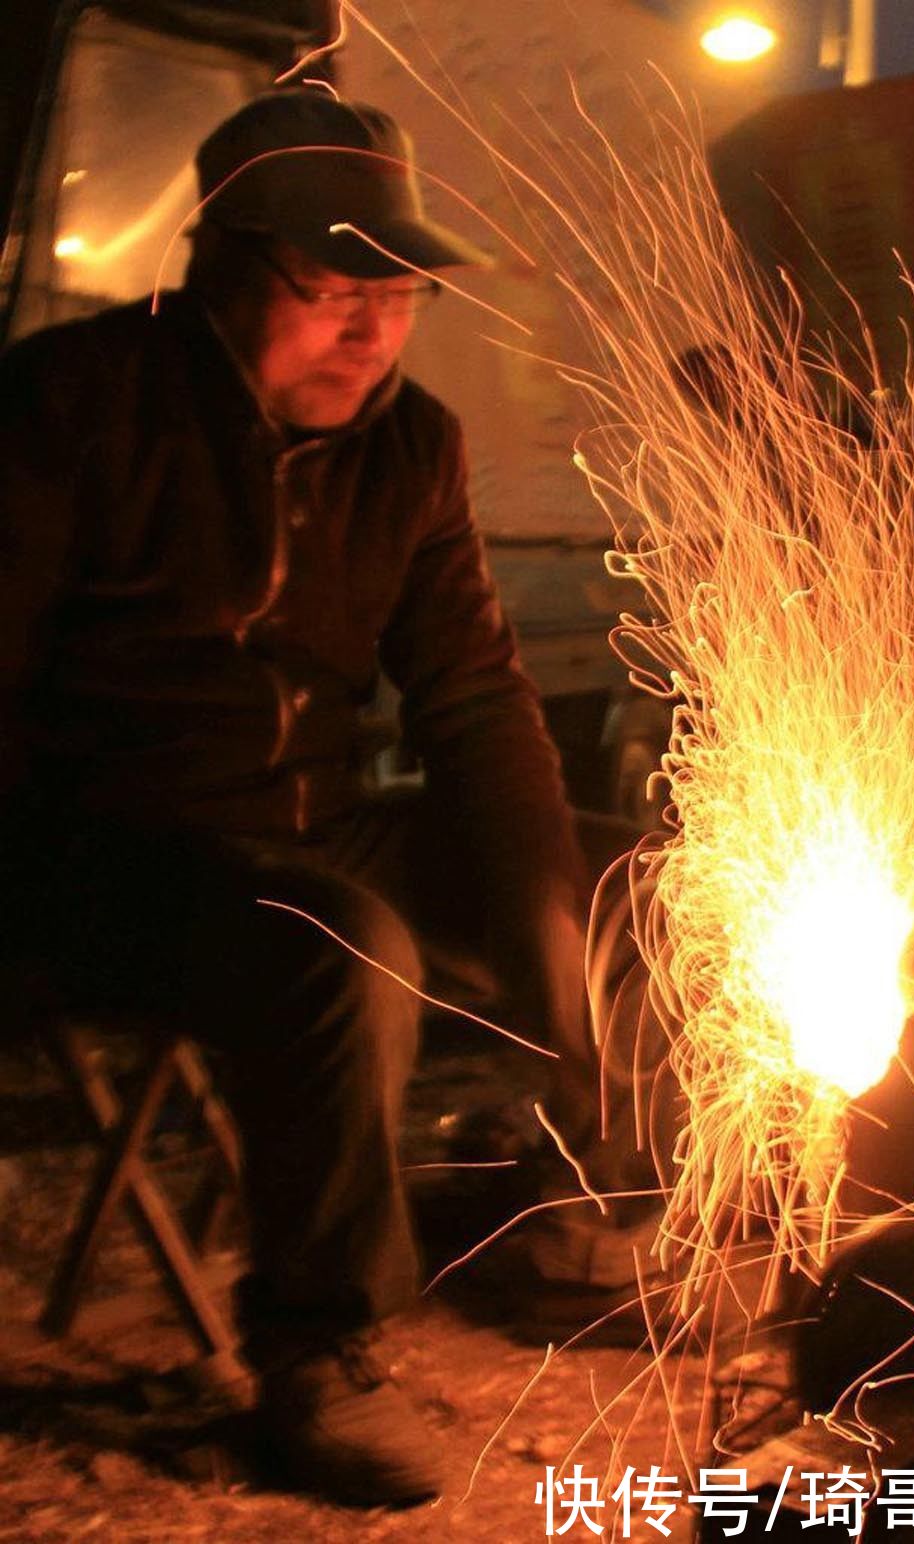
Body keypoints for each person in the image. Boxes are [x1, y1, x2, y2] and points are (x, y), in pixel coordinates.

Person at [0, 89, 615, 1507]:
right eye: (333, 289)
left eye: (395, 294)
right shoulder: (75, 401)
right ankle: (315, 1355)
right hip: (107, 846)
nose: (369, 331)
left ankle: (601, 1217)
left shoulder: (413, 447)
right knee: (333, 936)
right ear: (220, 268)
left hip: (307, 824)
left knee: (628, 878)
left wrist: (550, 945)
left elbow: (467, 697)